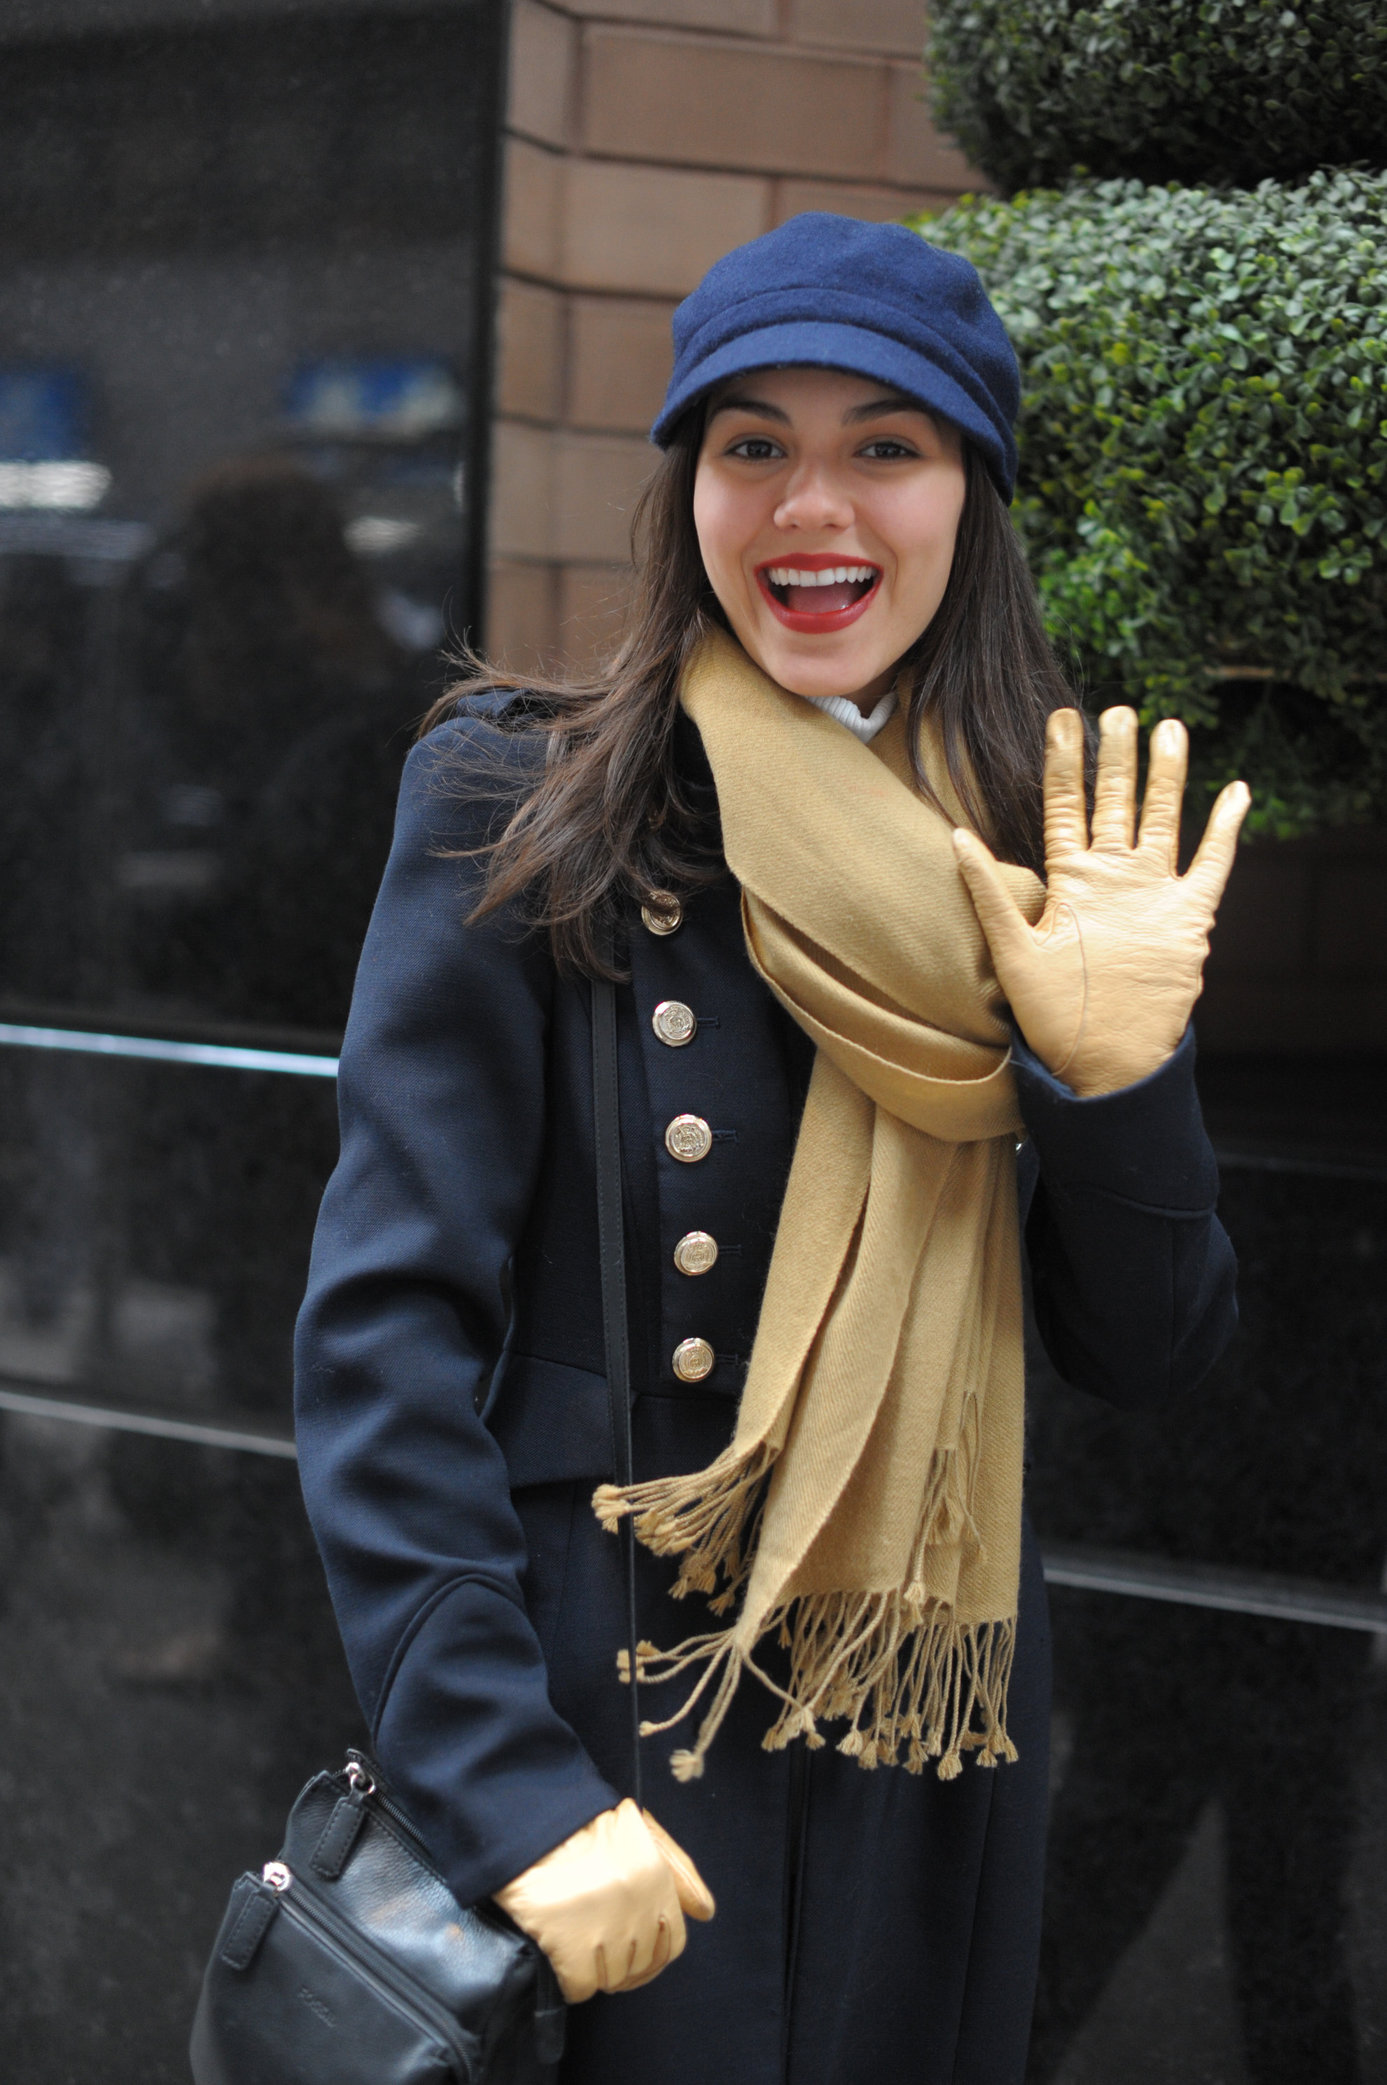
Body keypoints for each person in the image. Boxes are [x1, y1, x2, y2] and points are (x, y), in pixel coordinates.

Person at [294, 214, 1247, 2084]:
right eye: (755, 444)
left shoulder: (1047, 849)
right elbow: (383, 1339)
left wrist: (1118, 1079)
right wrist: (503, 1785)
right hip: (604, 1735)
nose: (815, 505)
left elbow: (1157, 1356)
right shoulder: (527, 791)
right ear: (690, 486)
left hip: (922, 1737)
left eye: (886, 445)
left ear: (972, 490)